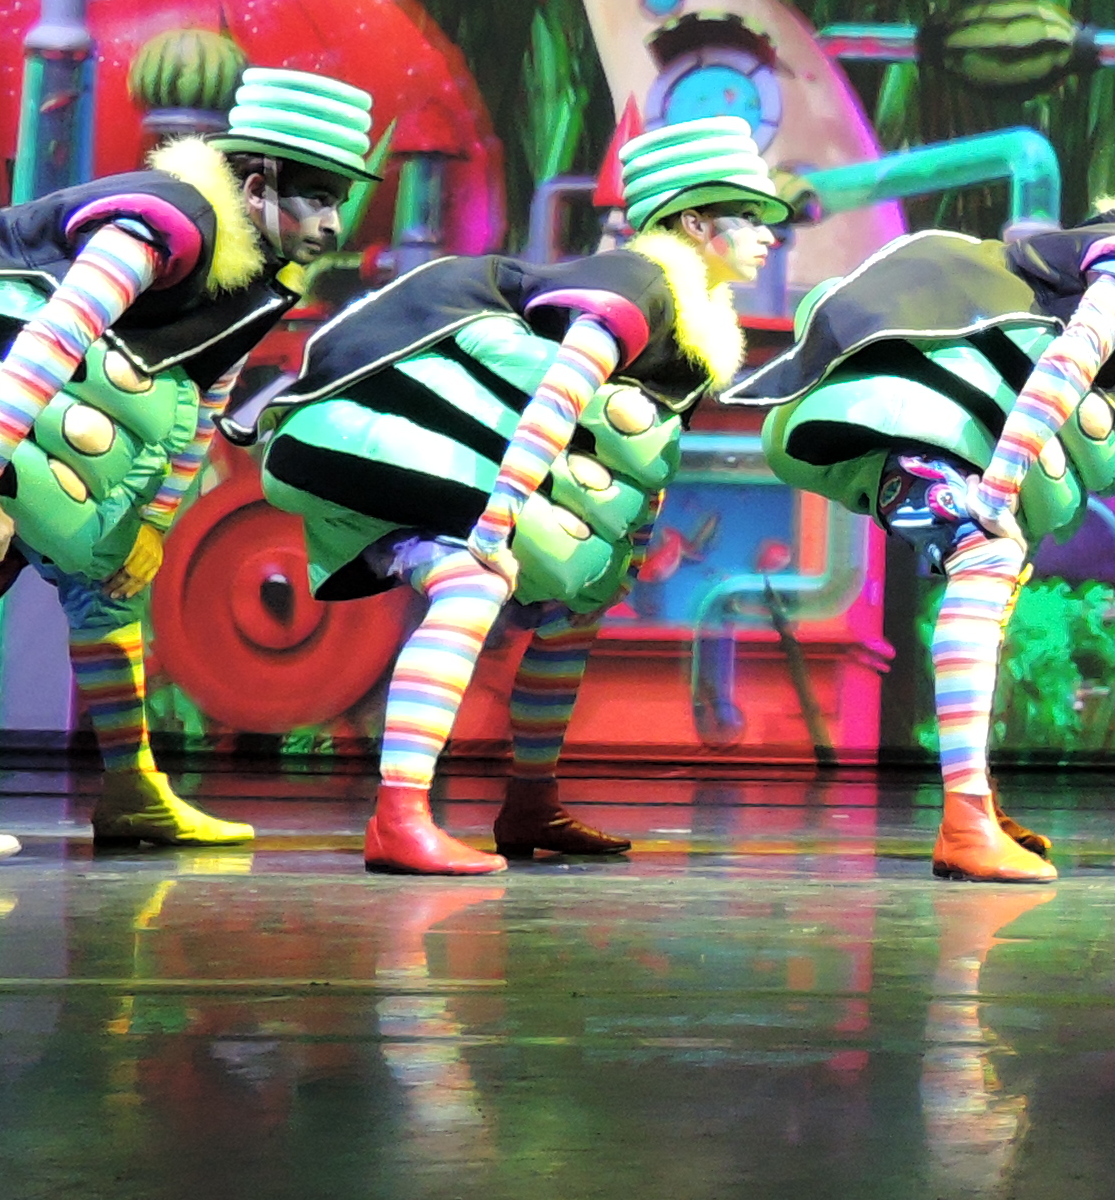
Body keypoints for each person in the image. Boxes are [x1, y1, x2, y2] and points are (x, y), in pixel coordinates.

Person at [0, 66, 376, 869]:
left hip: (14, 410)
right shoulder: (160, 226)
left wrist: (152, 524)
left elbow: (206, 401)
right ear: (259, 185)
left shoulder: (258, 280)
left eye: (340, 200)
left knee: (106, 586)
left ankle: (133, 791)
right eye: (319, 198)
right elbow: (51, 339)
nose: (333, 223)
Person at [731, 107, 1115, 885]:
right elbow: (1069, 362)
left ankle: (974, 803)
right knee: (986, 558)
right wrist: (1002, 484)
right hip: (923, 397)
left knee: (995, 572)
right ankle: (964, 820)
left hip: (948, 417)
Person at [261, 114, 786, 877]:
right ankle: (397, 818)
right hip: (368, 426)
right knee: (472, 581)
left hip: (441, 445)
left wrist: (620, 558)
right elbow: (557, 397)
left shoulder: (695, 323)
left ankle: (530, 804)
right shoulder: (641, 282)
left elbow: (644, 447)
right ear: (696, 223)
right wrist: (496, 523)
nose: (769, 233)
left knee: (572, 614)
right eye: (749, 215)